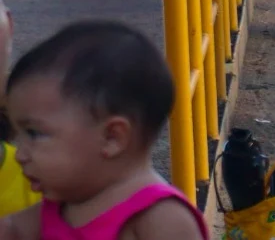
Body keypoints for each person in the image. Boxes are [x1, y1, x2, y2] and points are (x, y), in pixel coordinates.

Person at [2, 21, 207, 239]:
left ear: (112, 137)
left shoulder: (161, 219)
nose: (20, 154)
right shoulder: (59, 206)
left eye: (34, 133)